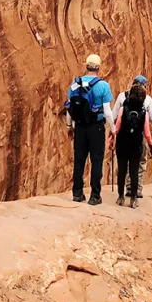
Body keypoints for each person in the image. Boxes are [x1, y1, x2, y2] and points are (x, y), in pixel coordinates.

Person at [65, 54, 114, 205]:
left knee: (79, 160)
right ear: (99, 67)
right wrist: (113, 129)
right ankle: (95, 196)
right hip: (96, 127)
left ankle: (77, 193)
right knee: (96, 161)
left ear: (86, 66)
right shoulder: (103, 86)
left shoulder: (75, 84)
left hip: (79, 127)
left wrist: (69, 127)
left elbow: (69, 107)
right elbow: (107, 111)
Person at [111, 75, 152, 198]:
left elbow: (114, 116)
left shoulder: (122, 96)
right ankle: (136, 189)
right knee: (140, 163)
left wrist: (112, 133)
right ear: (144, 86)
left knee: (124, 164)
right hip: (139, 137)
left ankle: (127, 188)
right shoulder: (147, 100)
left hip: (123, 137)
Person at [108, 82, 152, 207]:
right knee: (134, 171)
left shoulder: (123, 109)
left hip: (122, 144)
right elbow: (147, 132)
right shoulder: (144, 112)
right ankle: (133, 199)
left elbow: (116, 128)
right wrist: (151, 144)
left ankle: (121, 197)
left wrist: (111, 139)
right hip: (136, 145)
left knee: (122, 171)